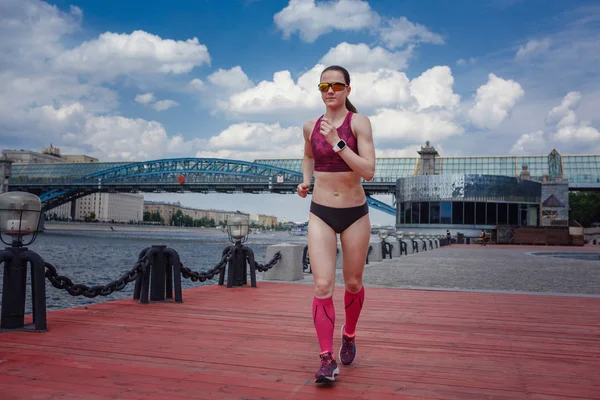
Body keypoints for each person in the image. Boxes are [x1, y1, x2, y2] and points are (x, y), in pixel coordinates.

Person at [296, 65, 376, 383]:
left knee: (353, 283)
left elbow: (368, 171)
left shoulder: (359, 123)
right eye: (324, 85)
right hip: (321, 213)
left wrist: (338, 142)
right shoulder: (308, 126)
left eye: (337, 85)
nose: (330, 90)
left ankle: (350, 333)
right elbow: (308, 157)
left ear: (347, 90)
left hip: (355, 214)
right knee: (322, 285)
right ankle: (326, 359)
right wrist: (305, 181)